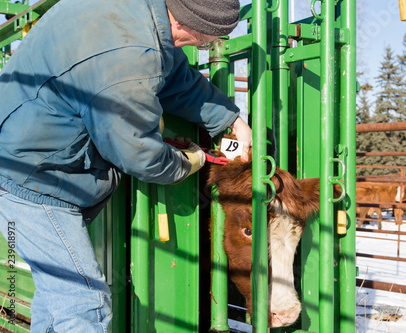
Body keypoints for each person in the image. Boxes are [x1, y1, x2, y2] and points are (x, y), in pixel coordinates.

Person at [0, 0, 251, 331]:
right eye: (210, 40)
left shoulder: (138, 14)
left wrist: (230, 119)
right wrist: (186, 162)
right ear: (188, 26)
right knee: (85, 304)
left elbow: (174, 76)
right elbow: (137, 152)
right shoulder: (131, 56)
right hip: (34, 178)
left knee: (56, 297)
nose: (209, 46)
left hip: (28, 159)